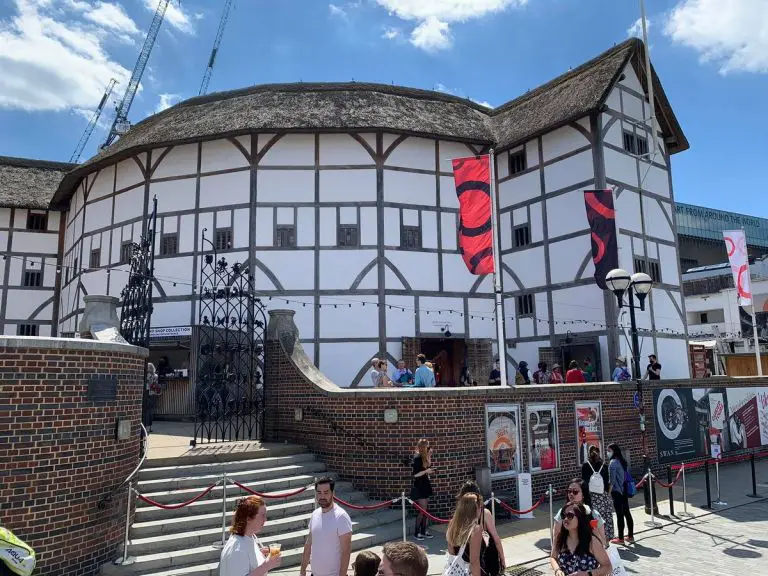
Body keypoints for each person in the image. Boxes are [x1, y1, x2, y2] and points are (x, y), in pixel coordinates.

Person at [299, 477, 352, 576]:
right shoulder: (315, 514)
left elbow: (346, 551)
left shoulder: (341, 517)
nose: (322, 496)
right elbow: (308, 544)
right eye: (319, 493)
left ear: (333, 493)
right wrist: (302, 570)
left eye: (326, 492)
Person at [220, 496, 282, 576]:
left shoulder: (248, 537)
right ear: (248, 518)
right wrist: (267, 565)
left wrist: (260, 554)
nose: (265, 519)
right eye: (262, 515)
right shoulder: (238, 549)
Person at [458, 481, 506, 576]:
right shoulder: (485, 513)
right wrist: (502, 558)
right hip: (486, 557)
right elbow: (496, 538)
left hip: (465, 560)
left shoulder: (458, 516)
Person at [549, 503, 612, 576]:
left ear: (580, 518)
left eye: (570, 516)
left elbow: (608, 567)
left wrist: (587, 574)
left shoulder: (591, 541)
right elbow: (553, 558)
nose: (565, 519)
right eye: (563, 515)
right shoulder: (560, 538)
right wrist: (557, 570)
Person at [552, 479, 606, 546]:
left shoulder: (594, 514)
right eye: (569, 491)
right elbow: (556, 537)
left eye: (575, 491)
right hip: (569, 553)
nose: (571, 494)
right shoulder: (562, 512)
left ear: (583, 494)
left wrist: (595, 532)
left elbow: (603, 540)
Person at [581, 446, 615, 543]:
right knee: (605, 518)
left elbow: (584, 483)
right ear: (599, 453)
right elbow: (607, 482)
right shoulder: (604, 466)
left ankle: (594, 540)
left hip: (591, 496)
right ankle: (606, 540)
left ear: (589, 453)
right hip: (603, 496)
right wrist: (608, 494)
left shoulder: (585, 466)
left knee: (593, 518)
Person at [446, 493, 485, 576]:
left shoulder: (453, 525)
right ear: (475, 509)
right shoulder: (475, 530)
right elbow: (474, 562)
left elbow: (451, 553)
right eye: (480, 507)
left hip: (456, 570)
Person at [607, 443, 634, 545]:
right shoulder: (622, 461)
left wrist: (608, 493)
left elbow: (612, 481)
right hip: (625, 489)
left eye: (609, 450)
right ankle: (630, 536)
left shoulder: (613, 462)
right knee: (627, 512)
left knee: (619, 514)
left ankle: (621, 538)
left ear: (613, 451)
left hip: (617, 491)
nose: (608, 453)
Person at [410, 439, 434, 540]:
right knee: (422, 510)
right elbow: (415, 474)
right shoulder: (417, 458)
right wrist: (426, 472)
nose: (428, 448)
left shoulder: (424, 457)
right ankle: (416, 532)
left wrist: (429, 456)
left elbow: (428, 466)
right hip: (420, 485)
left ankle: (424, 531)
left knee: (426, 510)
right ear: (423, 447)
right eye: (427, 446)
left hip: (425, 484)